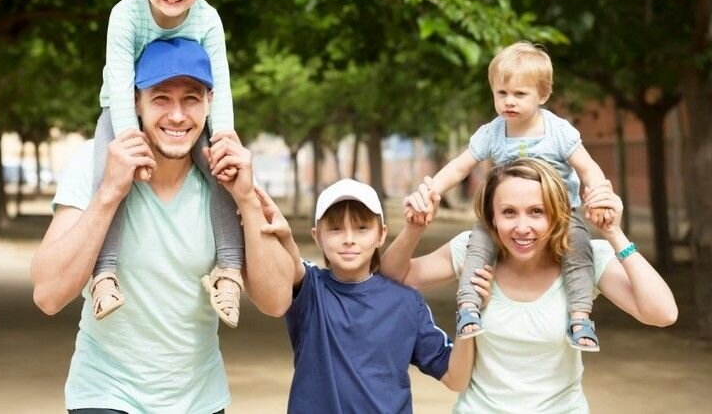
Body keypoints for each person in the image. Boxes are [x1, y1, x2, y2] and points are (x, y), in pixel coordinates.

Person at [30, 38, 294, 414]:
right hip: (105, 394)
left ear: (210, 102)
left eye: (191, 99)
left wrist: (247, 200)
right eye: (160, 99)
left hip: (199, 400)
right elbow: (48, 295)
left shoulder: (227, 175)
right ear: (135, 102)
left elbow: (277, 300)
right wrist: (109, 192)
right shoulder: (94, 162)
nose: (177, 115)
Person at [384, 158, 677, 413]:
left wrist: (615, 234)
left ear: (557, 213)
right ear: (491, 216)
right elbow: (394, 276)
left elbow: (662, 313)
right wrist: (414, 228)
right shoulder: (472, 253)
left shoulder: (584, 260)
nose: (522, 227)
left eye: (537, 211)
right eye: (509, 212)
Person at [209, 171, 491, 413]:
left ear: (381, 234)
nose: (348, 239)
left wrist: (468, 311)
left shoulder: (406, 303)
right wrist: (271, 223)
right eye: (335, 229)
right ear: (317, 236)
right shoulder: (310, 290)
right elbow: (290, 263)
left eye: (361, 228)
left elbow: (455, 377)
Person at [405, 41, 611, 350]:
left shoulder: (558, 131)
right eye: (501, 93)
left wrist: (598, 192)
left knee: (579, 250)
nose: (509, 101)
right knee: (478, 244)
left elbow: (587, 167)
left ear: (543, 94)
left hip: (561, 212)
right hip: (507, 212)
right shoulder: (492, 132)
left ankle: (580, 317)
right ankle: (468, 308)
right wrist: (431, 190)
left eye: (519, 94)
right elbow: (460, 167)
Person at [91, 0, 244, 327]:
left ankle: (229, 270)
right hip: (123, 107)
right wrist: (129, 142)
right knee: (108, 175)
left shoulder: (208, 19)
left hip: (186, 110)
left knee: (223, 171)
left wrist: (224, 136)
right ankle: (103, 274)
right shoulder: (125, 15)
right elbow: (120, 81)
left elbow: (220, 84)